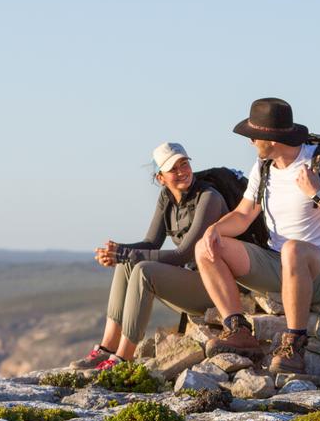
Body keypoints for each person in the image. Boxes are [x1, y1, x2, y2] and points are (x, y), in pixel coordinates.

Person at [195, 98, 320, 374]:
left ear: (271, 139)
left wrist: (318, 194)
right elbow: (243, 215)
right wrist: (213, 230)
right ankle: (238, 331)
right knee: (205, 248)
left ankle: (294, 344)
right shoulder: (263, 167)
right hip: (279, 263)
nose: (250, 142)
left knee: (293, 250)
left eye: (253, 136)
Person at [70, 142, 228, 371]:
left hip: (217, 287)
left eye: (184, 164)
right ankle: (107, 348)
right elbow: (151, 243)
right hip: (192, 280)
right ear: (160, 178)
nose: (182, 171)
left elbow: (184, 253)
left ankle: (123, 359)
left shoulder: (208, 197)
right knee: (126, 265)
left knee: (143, 270)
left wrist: (125, 254)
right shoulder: (167, 198)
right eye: (173, 168)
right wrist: (117, 253)